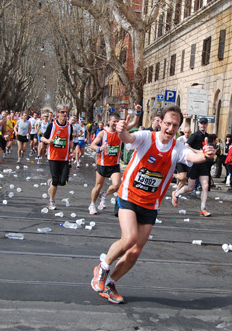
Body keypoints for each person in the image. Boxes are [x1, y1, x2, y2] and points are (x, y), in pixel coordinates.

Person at [90, 105, 215, 303]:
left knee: (135, 251)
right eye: (167, 123)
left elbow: (195, 156)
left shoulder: (177, 148)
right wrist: (122, 130)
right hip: (129, 196)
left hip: (150, 204)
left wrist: (207, 154)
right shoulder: (147, 137)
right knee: (129, 238)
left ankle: (111, 283)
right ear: (160, 123)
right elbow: (128, 139)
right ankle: (103, 268)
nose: (170, 128)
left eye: (174, 125)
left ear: (178, 127)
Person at [172, 117, 214, 217]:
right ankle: (176, 193)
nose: (203, 125)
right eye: (201, 123)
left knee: (205, 186)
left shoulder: (208, 136)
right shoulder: (195, 135)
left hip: (204, 163)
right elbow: (186, 145)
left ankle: (203, 208)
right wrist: (197, 152)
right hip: (194, 163)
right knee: (190, 187)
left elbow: (210, 148)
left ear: (207, 125)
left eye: (205, 123)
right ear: (198, 124)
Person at [40, 105, 73, 210]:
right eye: (62, 112)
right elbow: (42, 137)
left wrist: (71, 150)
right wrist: (47, 141)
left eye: (66, 112)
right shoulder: (52, 125)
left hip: (65, 157)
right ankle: (51, 201)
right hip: (53, 156)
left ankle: (50, 183)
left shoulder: (69, 126)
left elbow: (70, 140)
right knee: (55, 180)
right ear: (57, 113)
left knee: (63, 182)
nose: (64, 114)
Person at [89, 112, 123, 215]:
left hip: (114, 165)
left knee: (116, 185)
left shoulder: (120, 133)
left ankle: (104, 194)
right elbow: (92, 145)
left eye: (118, 122)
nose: (116, 124)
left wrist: (137, 113)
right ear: (109, 121)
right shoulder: (103, 133)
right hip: (102, 164)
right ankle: (92, 204)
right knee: (98, 186)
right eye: (114, 122)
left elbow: (132, 126)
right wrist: (99, 148)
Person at [174, 126, 191, 191]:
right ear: (184, 132)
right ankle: (172, 175)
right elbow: (176, 143)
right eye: (186, 132)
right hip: (180, 159)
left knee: (185, 178)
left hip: (187, 160)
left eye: (188, 132)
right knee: (183, 176)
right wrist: (184, 144)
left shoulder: (191, 139)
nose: (187, 134)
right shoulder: (181, 138)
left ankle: (176, 192)